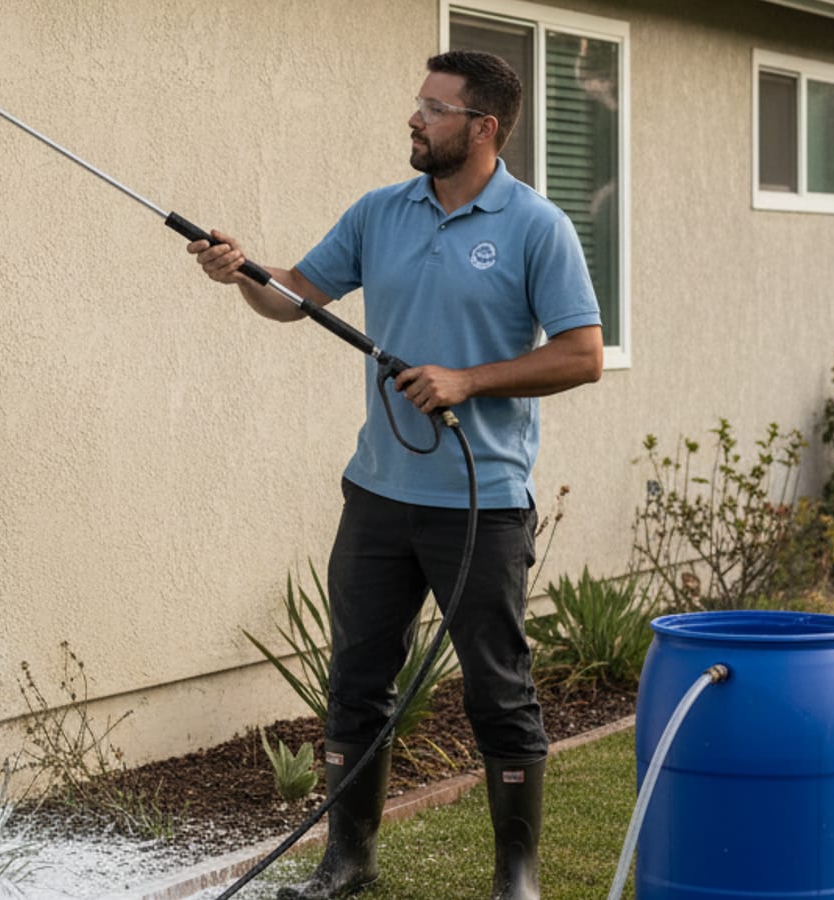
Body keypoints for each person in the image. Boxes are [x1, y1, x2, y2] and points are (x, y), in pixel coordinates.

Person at [189, 50, 603, 900]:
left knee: (499, 690)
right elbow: (297, 294)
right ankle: (349, 861)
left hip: (480, 504)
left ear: (483, 128)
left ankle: (516, 877)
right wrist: (243, 274)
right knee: (356, 683)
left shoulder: (535, 226)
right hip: (377, 497)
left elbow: (583, 356)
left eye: (434, 108)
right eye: (418, 103)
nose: (414, 118)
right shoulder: (382, 212)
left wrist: (468, 380)